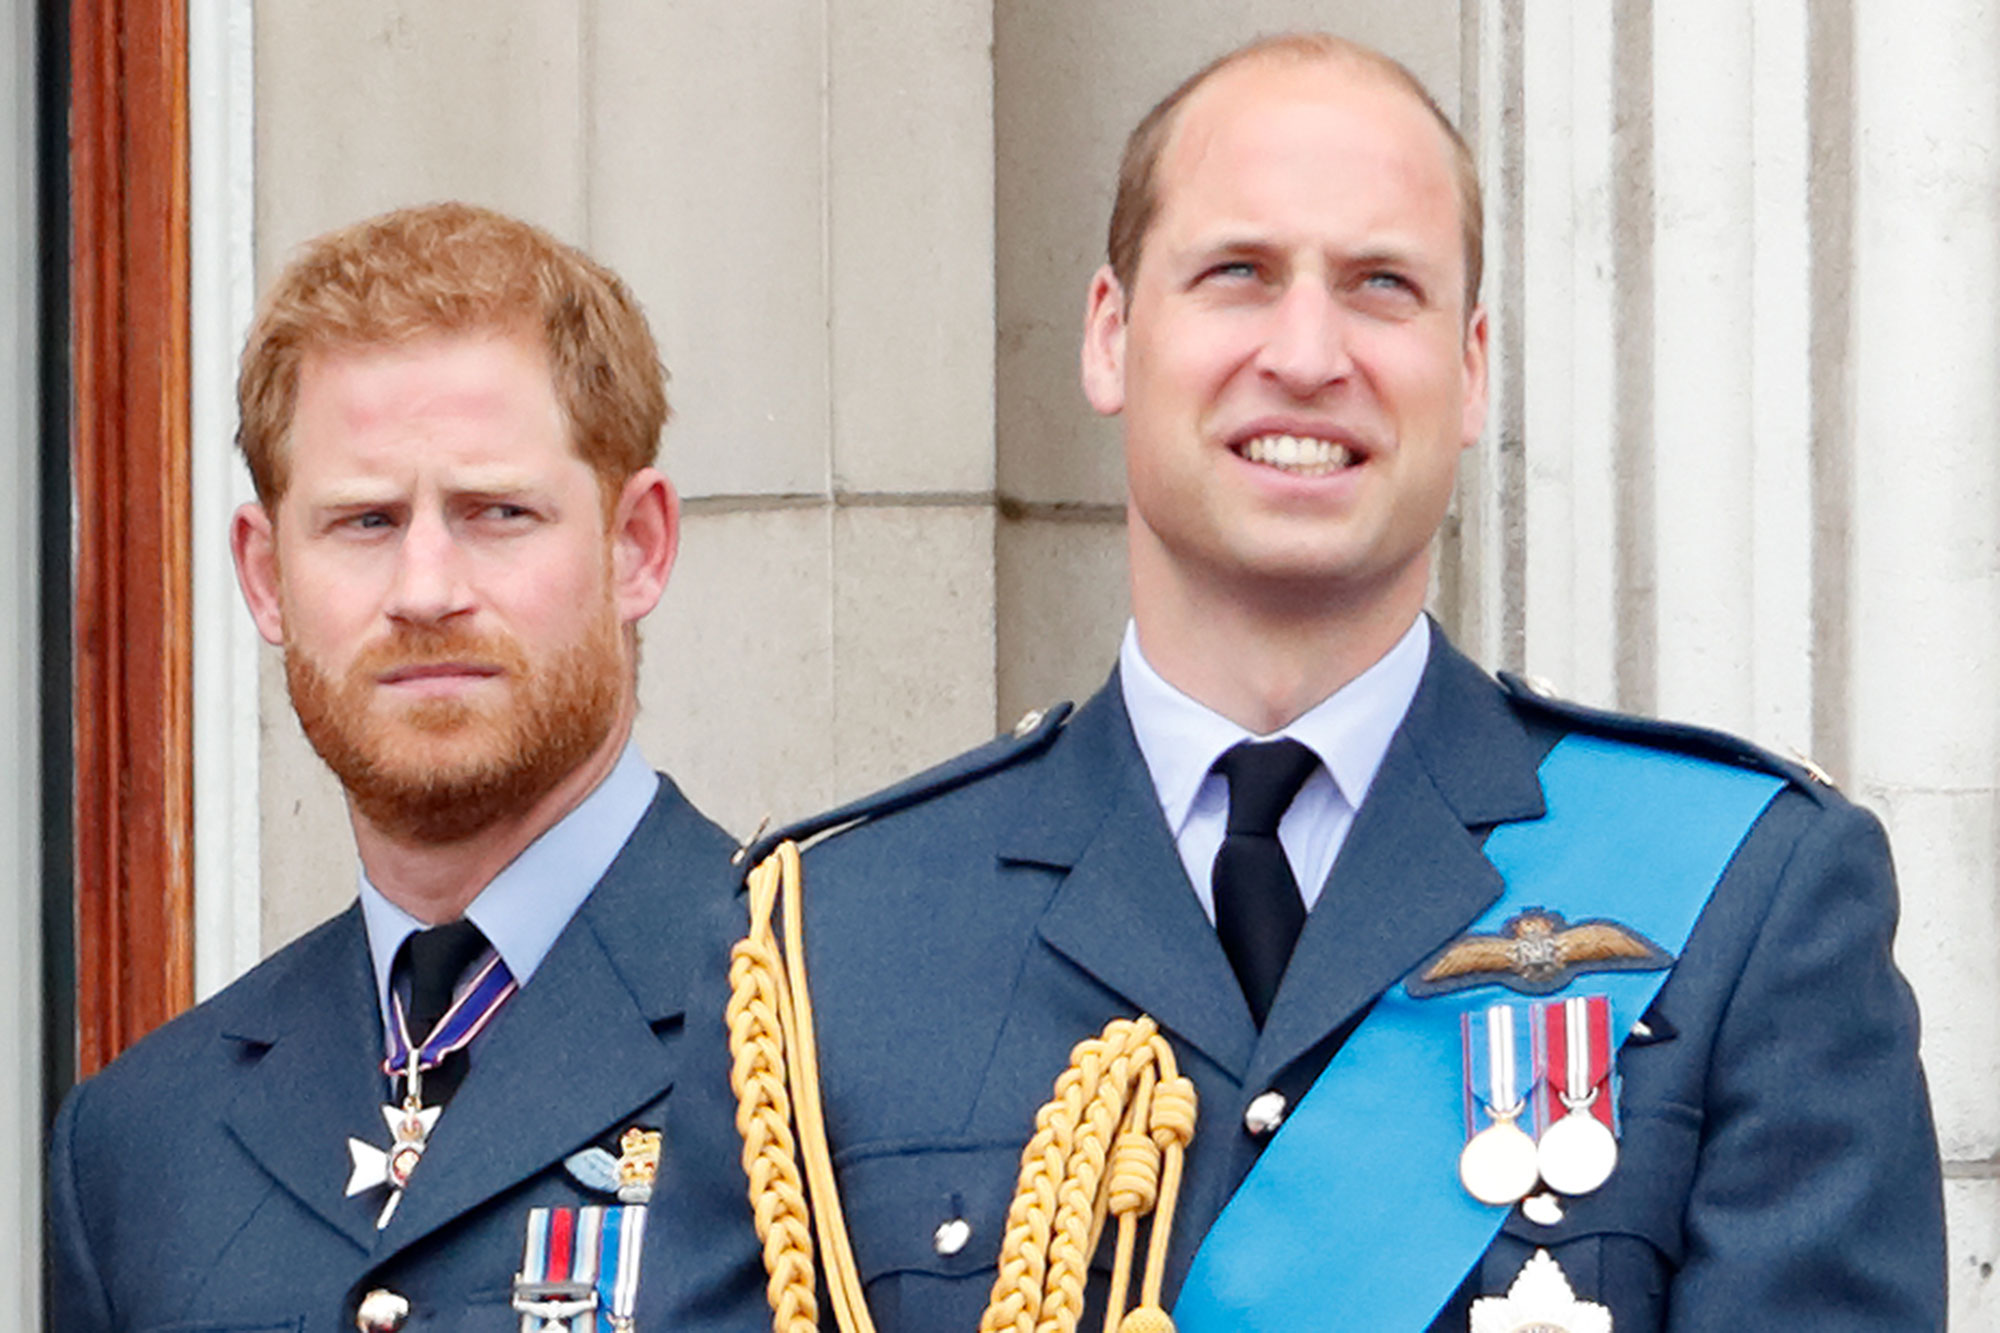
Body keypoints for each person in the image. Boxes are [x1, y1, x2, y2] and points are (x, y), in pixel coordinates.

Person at [722, 34, 1946, 1331]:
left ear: (1469, 369)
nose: (1308, 352)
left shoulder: (1750, 902)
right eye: (1238, 273)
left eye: (1380, 284)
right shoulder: (826, 946)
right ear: (1110, 336)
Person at [48, 203, 749, 1332]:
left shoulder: (825, 1032)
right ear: (266, 576)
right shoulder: (139, 1147)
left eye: (496, 512)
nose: (426, 589)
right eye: (365, 520)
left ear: (637, 547)